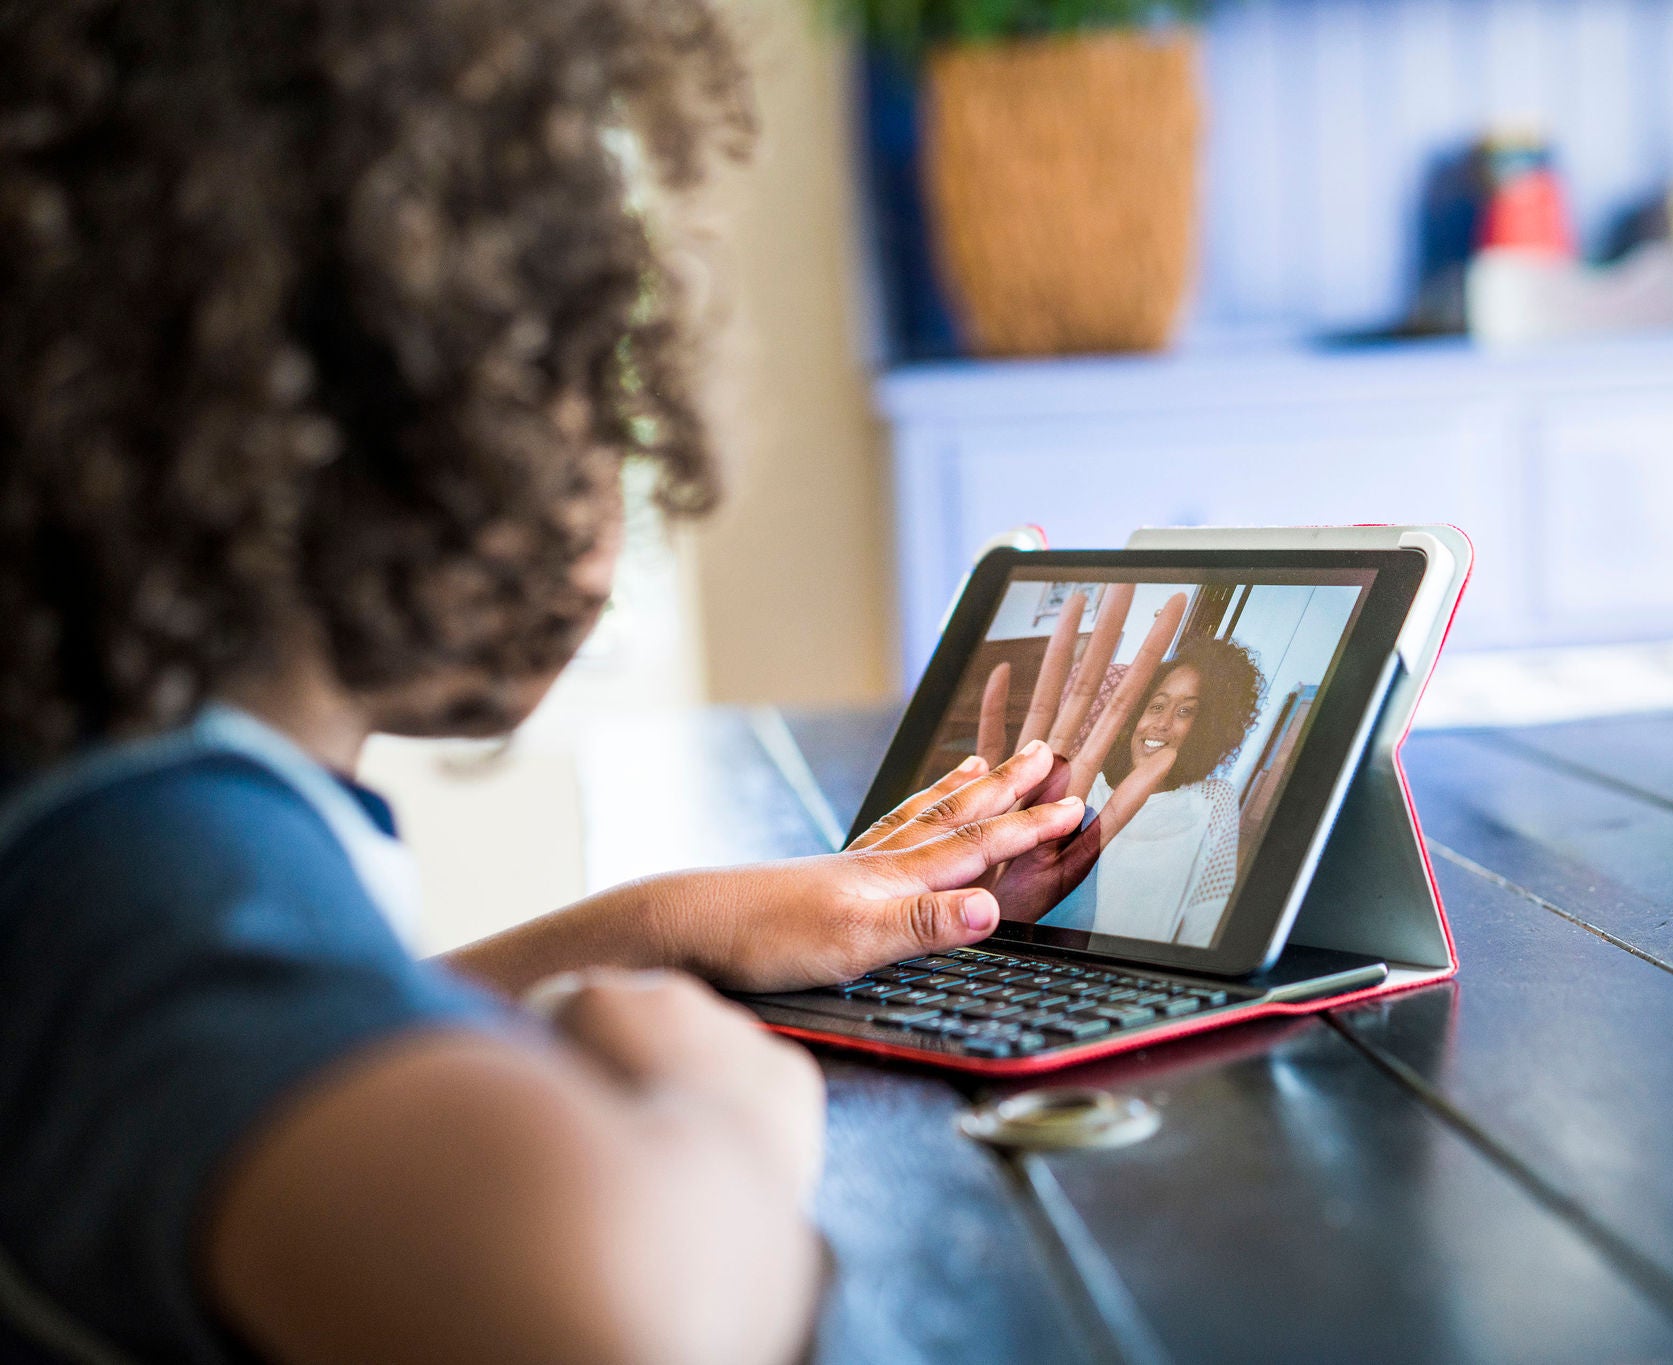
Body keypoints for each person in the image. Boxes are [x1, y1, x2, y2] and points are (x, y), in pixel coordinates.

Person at [0, 3, 1102, 1362]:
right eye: (585, 371)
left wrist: (666, 924)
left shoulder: (96, 810)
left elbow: (299, 1027)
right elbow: (622, 1310)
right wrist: (721, 1122)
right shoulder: (150, 872)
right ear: (425, 408)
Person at [1036, 636, 1267, 946]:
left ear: (1206, 729)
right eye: (1156, 706)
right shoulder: (1087, 786)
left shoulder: (1211, 800)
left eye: (1185, 712)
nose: (1161, 723)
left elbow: (1205, 922)